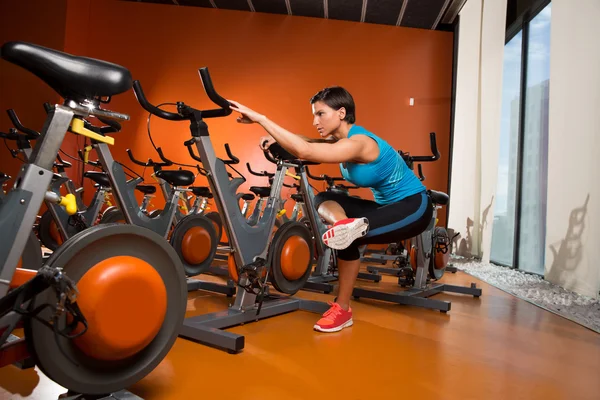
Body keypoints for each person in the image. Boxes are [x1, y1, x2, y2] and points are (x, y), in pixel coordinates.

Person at [228, 87, 432, 333]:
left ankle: (343, 301)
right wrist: (277, 138)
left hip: (414, 207)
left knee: (349, 235)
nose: (315, 121)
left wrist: (261, 119)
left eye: (320, 114)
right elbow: (309, 141)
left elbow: (306, 150)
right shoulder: (340, 140)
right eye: (314, 115)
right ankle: (342, 235)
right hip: (386, 206)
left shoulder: (359, 143)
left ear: (341, 113)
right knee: (325, 200)